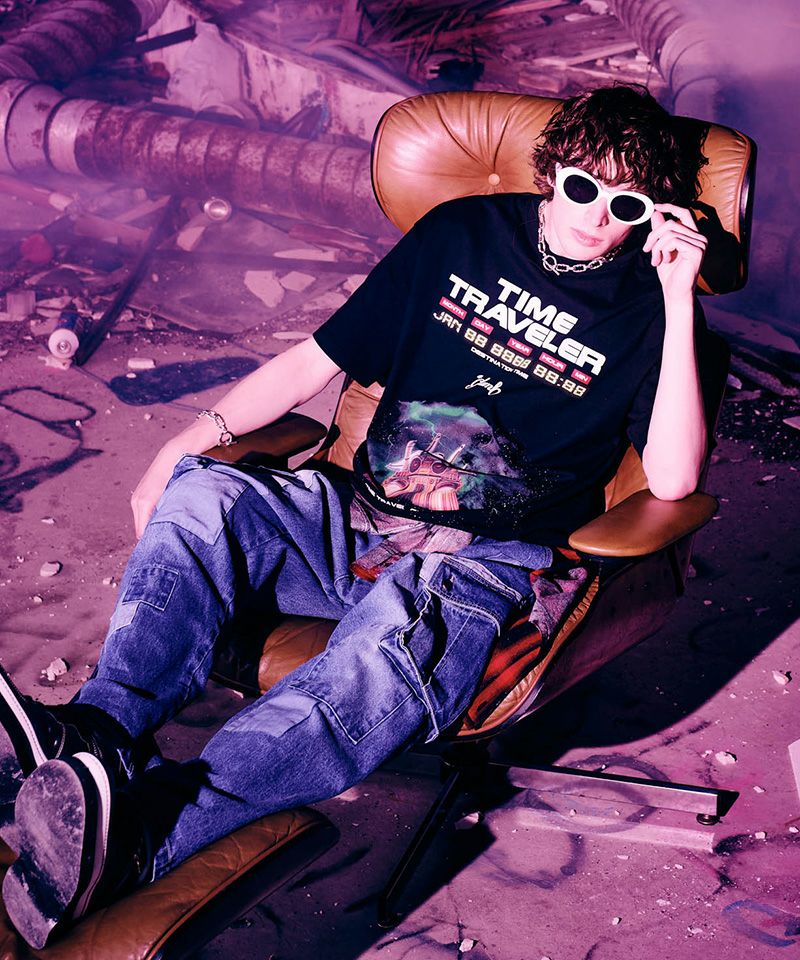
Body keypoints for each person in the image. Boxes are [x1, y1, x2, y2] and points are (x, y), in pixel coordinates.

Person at [0, 83, 709, 948]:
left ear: (653, 213)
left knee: (381, 656)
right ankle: (96, 737)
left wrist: (680, 298)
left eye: (627, 204)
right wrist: (181, 446)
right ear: (552, 173)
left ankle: (145, 837)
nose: (598, 218)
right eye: (584, 188)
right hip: (355, 522)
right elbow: (314, 361)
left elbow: (674, 477)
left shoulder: (650, 304)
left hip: (478, 563)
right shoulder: (461, 234)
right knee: (206, 495)